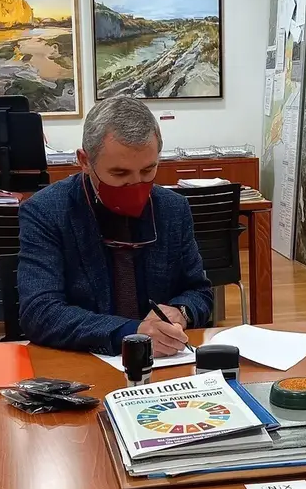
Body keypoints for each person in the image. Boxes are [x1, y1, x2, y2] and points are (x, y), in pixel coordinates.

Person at [18, 96, 213, 357]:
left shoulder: (172, 209)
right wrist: (131, 332)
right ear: (85, 161)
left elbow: (200, 291)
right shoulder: (47, 211)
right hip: (82, 362)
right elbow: (39, 311)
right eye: (120, 174)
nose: (136, 185)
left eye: (148, 171)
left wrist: (181, 312)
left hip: (165, 363)